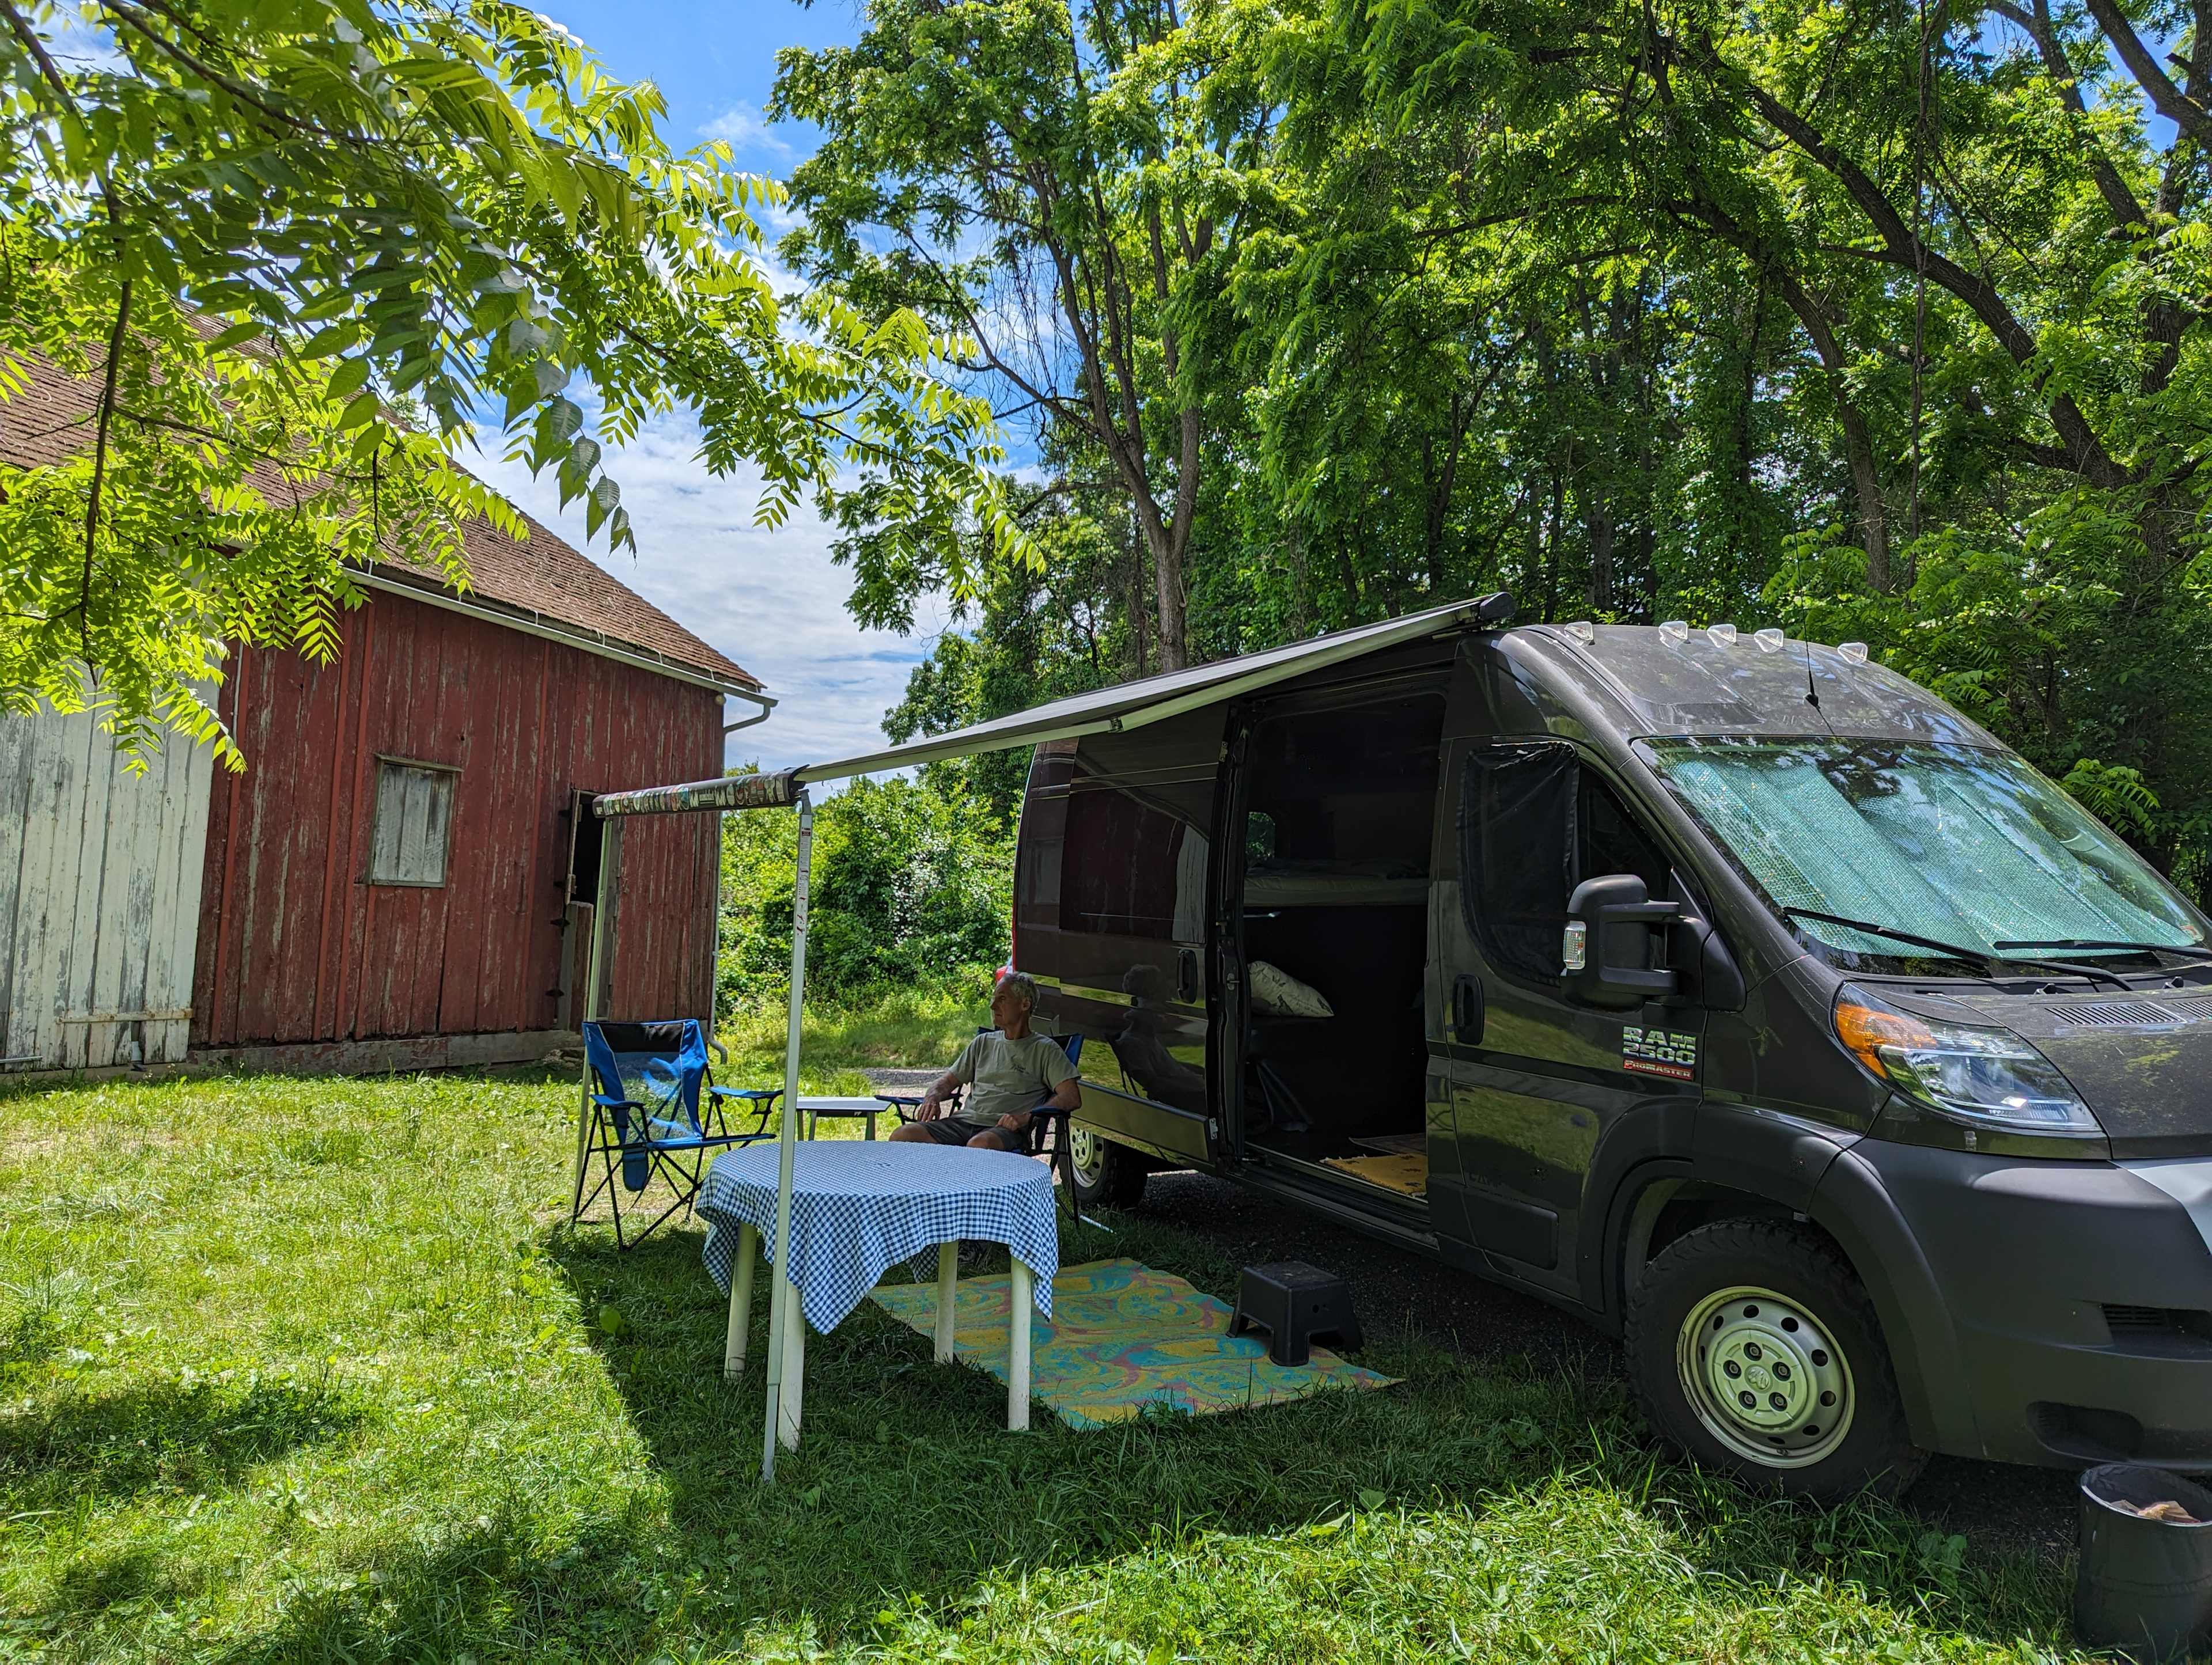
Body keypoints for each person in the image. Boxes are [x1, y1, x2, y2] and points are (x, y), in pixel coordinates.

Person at [888, 972, 1080, 1151]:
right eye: (994, 999)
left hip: (1003, 1129)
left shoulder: (1044, 1049)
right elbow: (946, 1081)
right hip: (962, 1123)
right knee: (903, 1135)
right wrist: (933, 1097)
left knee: (980, 1144)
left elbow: (1071, 1096)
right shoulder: (983, 1043)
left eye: (1002, 999)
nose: (993, 1006)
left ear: (1025, 1004)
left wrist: (1026, 1118)